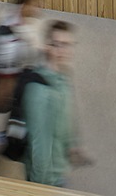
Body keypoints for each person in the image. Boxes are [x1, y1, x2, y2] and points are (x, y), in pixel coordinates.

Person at [0, 0, 45, 167]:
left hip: (23, 107)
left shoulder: (20, 24)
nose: (41, 5)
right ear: (29, 0)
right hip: (19, 110)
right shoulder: (8, 39)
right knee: (12, 156)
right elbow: (3, 92)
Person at [22, 21, 91, 186]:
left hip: (59, 170)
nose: (63, 51)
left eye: (67, 45)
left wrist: (71, 145)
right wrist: (39, 187)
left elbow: (66, 116)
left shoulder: (63, 76)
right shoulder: (40, 91)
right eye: (57, 45)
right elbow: (39, 144)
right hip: (47, 180)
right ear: (47, 47)